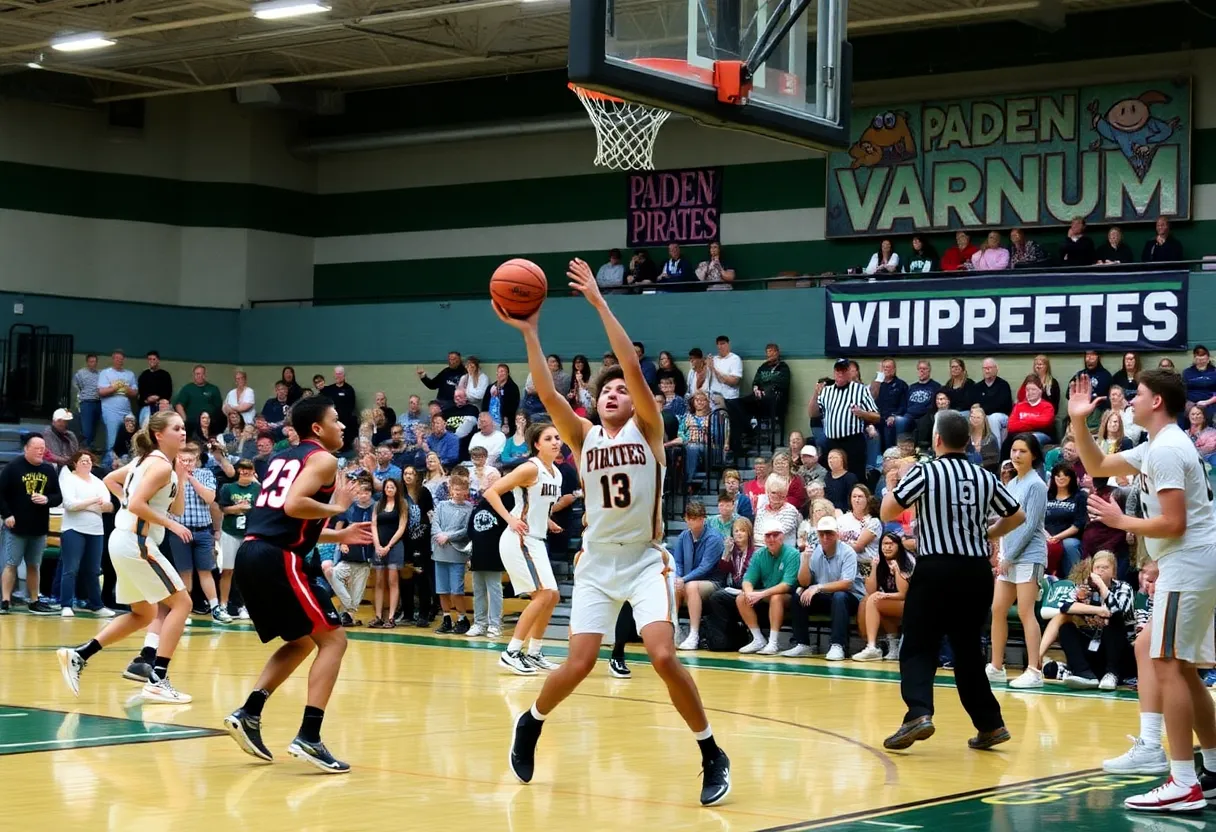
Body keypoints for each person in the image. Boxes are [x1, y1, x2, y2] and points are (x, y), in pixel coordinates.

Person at [494, 257, 731, 806]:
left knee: (664, 656)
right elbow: (549, 397)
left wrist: (600, 303)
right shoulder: (582, 439)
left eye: (622, 390)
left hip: (646, 559)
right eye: (606, 391)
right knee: (577, 664)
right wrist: (531, 331)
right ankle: (530, 723)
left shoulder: (649, 430)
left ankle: (710, 753)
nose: (614, 393)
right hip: (597, 561)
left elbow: (630, 364)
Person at [1069, 370, 1216, 811]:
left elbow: (1174, 523)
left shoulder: (1168, 448)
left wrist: (1121, 522)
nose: (1131, 401)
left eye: (1140, 395)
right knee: (1181, 666)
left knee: (1167, 662)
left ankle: (1183, 780)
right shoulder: (1157, 446)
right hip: (1189, 561)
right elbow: (1096, 465)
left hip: (1189, 560)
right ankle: (1210, 767)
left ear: (1157, 403)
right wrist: (1078, 420)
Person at [222, 395, 374, 773]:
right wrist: (338, 510)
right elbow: (294, 505)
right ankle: (309, 736)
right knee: (335, 640)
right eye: (336, 420)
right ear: (318, 429)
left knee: (302, 641)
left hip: (254, 552)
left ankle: (250, 712)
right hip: (278, 558)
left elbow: (284, 518)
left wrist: (338, 536)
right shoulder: (323, 458)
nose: (342, 426)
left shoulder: (282, 456)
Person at [879, 410, 1025, 751]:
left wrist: (895, 482)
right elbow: (1017, 514)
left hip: (936, 569)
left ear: (937, 440)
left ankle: (918, 712)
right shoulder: (983, 475)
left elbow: (887, 512)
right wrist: (990, 531)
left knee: (917, 643)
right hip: (975, 572)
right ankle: (990, 724)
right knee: (968, 650)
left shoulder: (926, 472)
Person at [55, 411, 195, 704]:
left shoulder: (148, 463)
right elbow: (137, 503)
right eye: (177, 428)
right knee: (182, 603)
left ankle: (81, 654)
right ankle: (158, 678)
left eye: (184, 428)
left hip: (124, 540)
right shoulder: (157, 467)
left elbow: (113, 481)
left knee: (143, 613)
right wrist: (169, 524)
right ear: (159, 434)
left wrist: (180, 479)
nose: (183, 433)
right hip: (136, 541)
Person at [484, 422, 565, 673]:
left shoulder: (557, 473)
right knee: (542, 595)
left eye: (558, 437)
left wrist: (548, 521)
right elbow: (491, 492)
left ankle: (534, 652)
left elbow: (538, 504)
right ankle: (511, 651)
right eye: (549, 438)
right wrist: (510, 519)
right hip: (518, 538)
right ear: (537, 444)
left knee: (552, 596)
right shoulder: (530, 468)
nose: (555, 441)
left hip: (536, 538)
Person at [986, 434, 1049, 689]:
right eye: (1014, 450)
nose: (1017, 455)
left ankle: (1034, 670)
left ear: (1033, 455)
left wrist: (1009, 557)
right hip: (1009, 557)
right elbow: (1005, 522)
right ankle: (997, 667)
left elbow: (1029, 524)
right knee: (997, 610)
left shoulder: (1037, 485)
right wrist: (1000, 549)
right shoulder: (1011, 485)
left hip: (1029, 555)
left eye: (1023, 451)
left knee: (1025, 612)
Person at [1, 434, 63, 614]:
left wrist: (46, 499)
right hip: (16, 526)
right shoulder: (13, 468)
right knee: (11, 564)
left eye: (43, 448)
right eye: (36, 448)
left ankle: (34, 600)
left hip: (39, 527)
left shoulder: (48, 470)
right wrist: (7, 515)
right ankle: (5, 600)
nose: (40, 451)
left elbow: (58, 496)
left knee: (34, 565)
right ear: (26, 449)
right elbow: (1, 494)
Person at [369, 477, 407, 629]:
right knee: (378, 581)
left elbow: (401, 527)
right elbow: (373, 524)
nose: (389, 489)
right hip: (379, 545)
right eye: (387, 487)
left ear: (396, 489)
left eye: (392, 487)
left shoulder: (402, 504)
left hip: (395, 545)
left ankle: (391, 617)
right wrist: (377, 544)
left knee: (393, 581)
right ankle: (378, 616)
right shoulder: (378, 504)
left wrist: (389, 545)